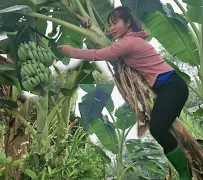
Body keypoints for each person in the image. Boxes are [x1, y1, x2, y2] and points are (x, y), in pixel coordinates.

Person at [58, 6, 191, 179]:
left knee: (158, 129)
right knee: (169, 130)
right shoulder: (130, 38)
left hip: (173, 87)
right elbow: (108, 42)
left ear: (128, 23)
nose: (112, 28)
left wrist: (72, 51)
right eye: (110, 24)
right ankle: (195, 162)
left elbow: (99, 54)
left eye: (115, 23)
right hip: (166, 88)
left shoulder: (129, 43)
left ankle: (184, 173)